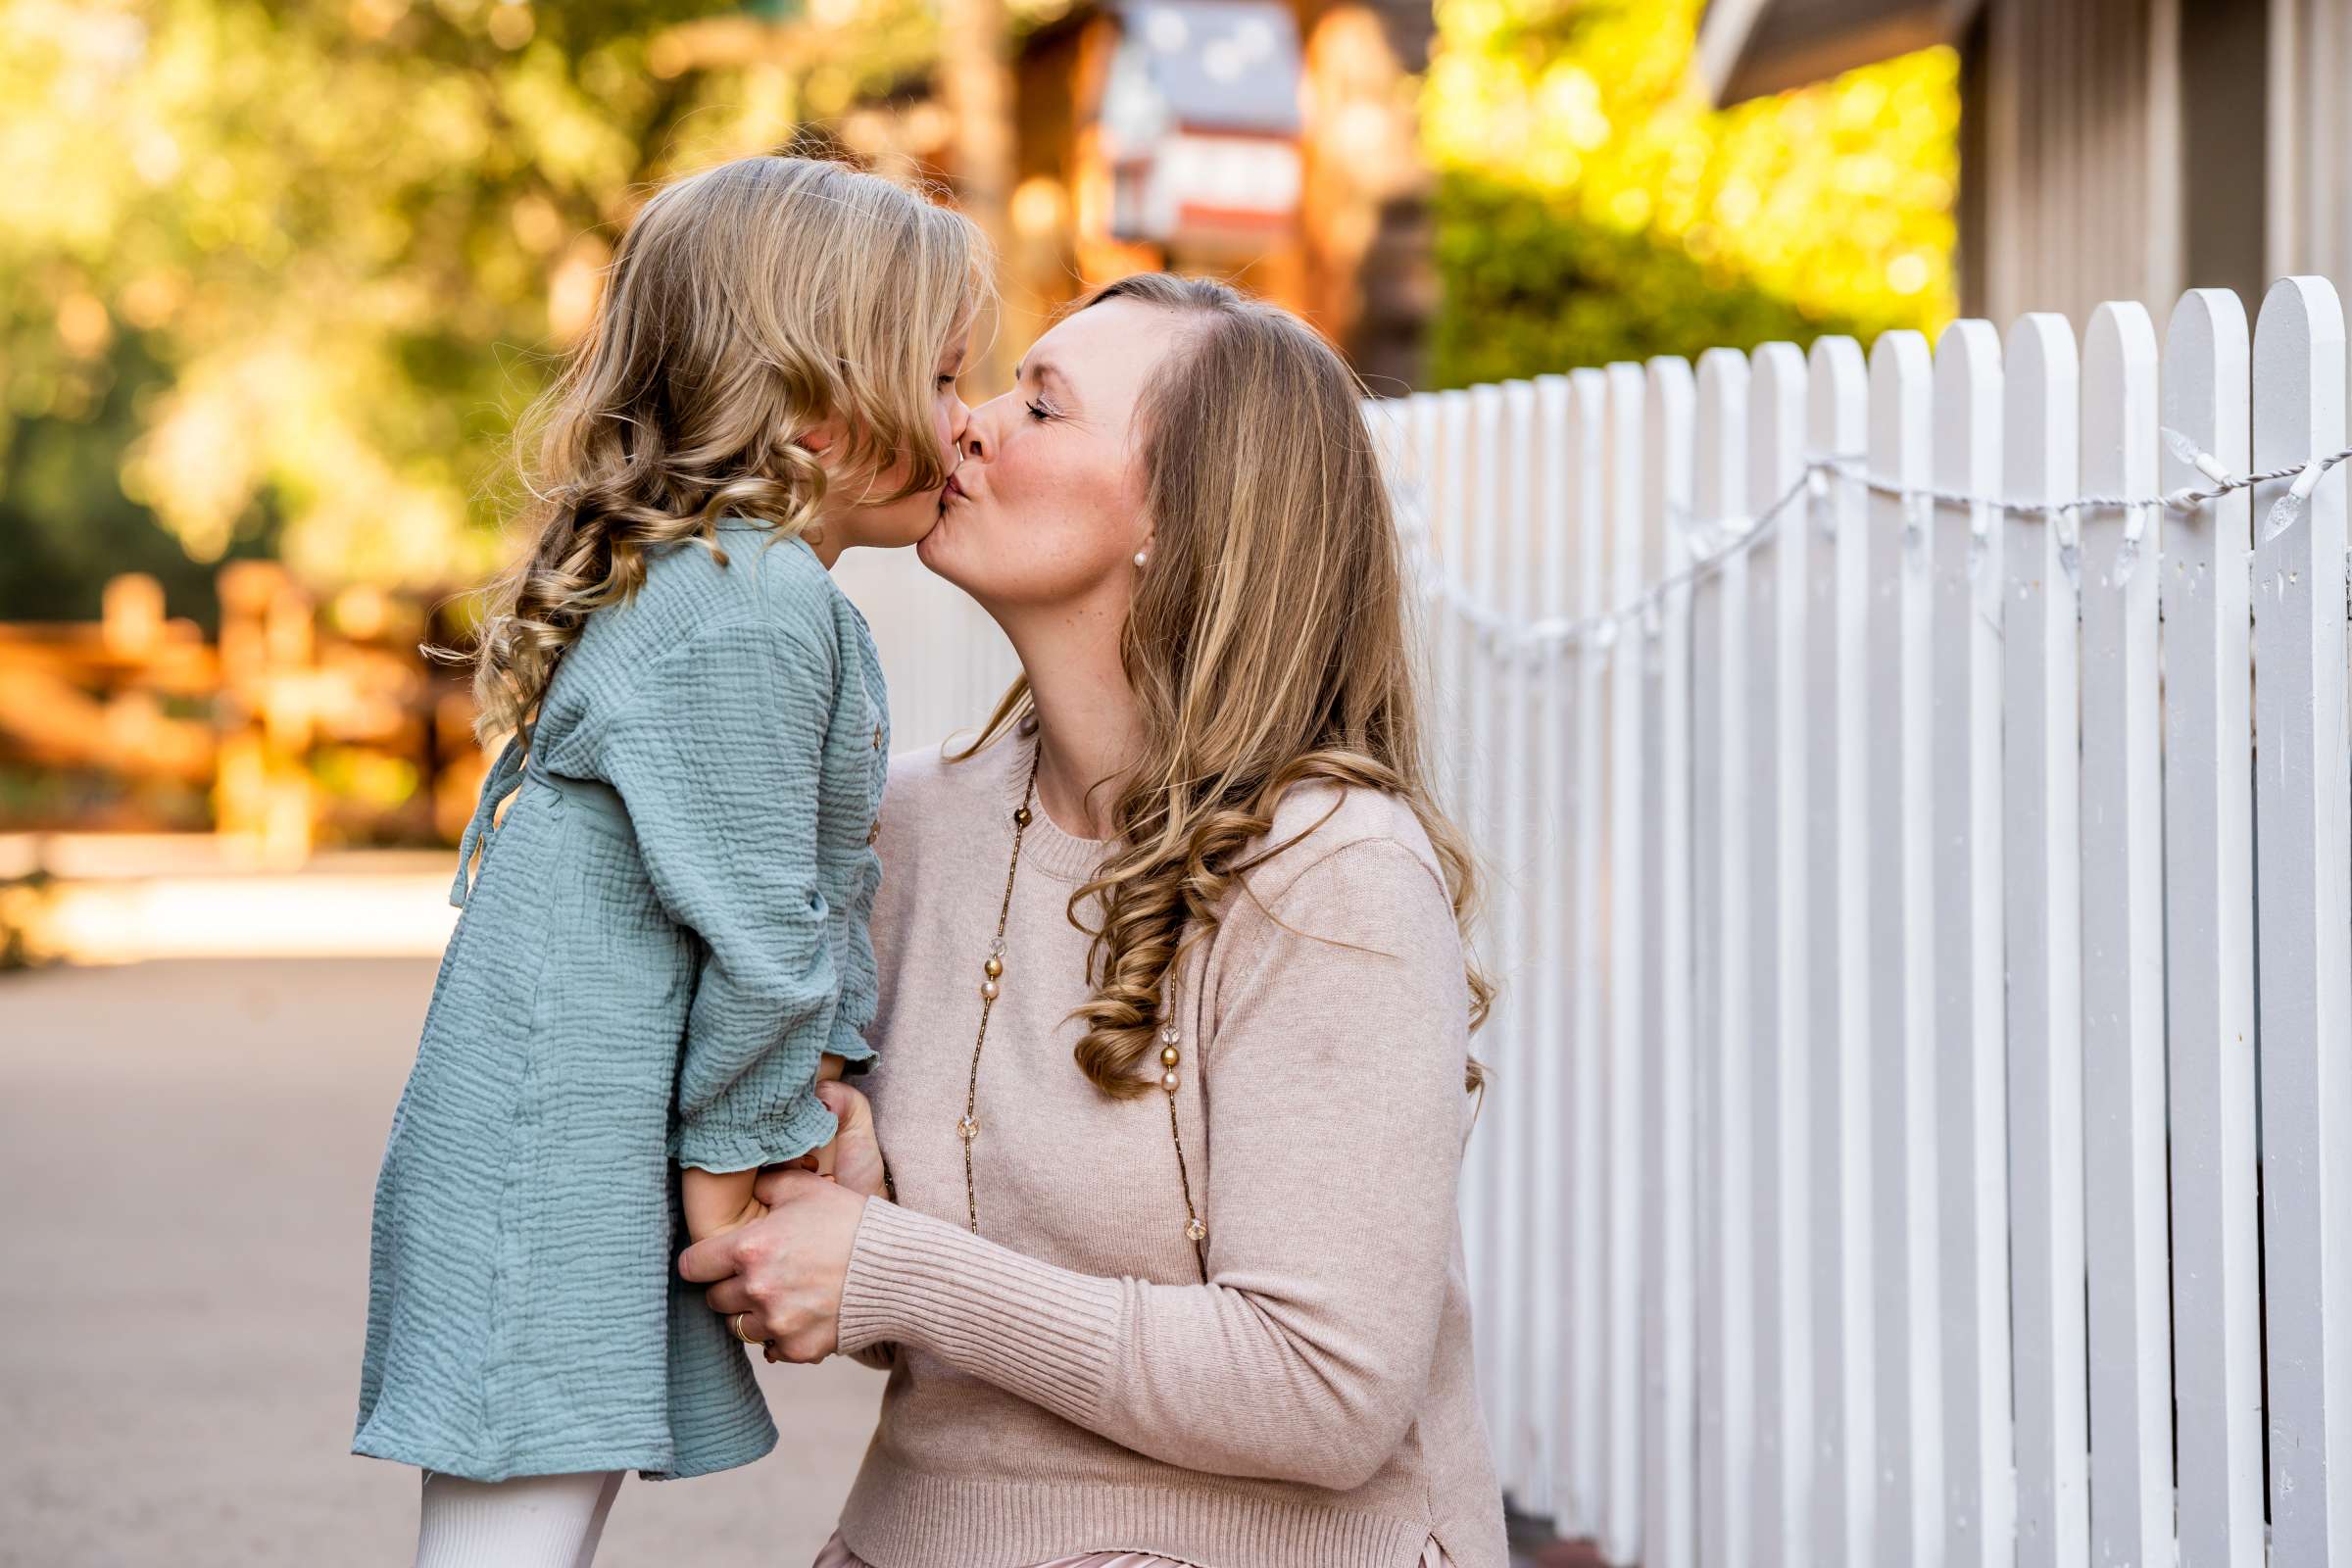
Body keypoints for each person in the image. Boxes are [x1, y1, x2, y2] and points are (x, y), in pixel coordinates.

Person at [683, 273, 1510, 1568]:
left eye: (1043, 407)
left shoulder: (1329, 872)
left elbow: (1329, 1390)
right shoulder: (913, 829)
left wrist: (898, 1266)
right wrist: (859, 1200)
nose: (967, 424)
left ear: (1181, 523)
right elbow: (960, 1311)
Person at [352, 154, 987, 1567]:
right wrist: (738, 1177)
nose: (968, 422)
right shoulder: (748, 602)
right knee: (514, 1521)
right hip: (558, 1139)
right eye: (942, 382)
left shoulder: (738, 583)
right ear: (821, 404)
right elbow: (760, 930)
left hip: (578, 1109)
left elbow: (791, 899)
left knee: (533, 1510)